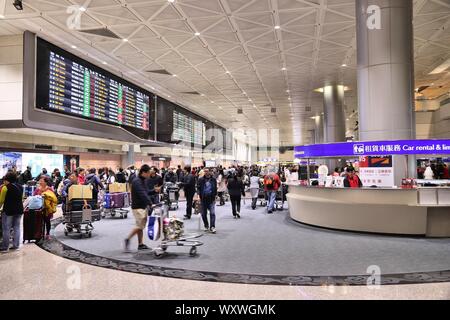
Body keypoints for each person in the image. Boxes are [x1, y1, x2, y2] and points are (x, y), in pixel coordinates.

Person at [124, 165, 153, 252]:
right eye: (148, 173)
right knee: (139, 226)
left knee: (141, 226)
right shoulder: (137, 181)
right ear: (143, 172)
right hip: (138, 207)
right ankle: (128, 239)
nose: (149, 175)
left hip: (142, 206)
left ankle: (140, 244)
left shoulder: (142, 180)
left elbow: (146, 192)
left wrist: (154, 191)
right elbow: (142, 194)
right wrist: (150, 203)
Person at [0, 172, 24, 252]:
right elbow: (22, 198)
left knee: (6, 229)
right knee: (16, 227)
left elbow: (1, 201)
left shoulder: (5, 188)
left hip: (8, 211)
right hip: (19, 210)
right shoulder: (20, 187)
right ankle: (16, 246)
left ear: (7, 180)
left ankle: (4, 247)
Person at [197, 168, 217, 233]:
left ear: (209, 172)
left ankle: (212, 227)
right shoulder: (200, 180)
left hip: (211, 199)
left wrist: (215, 196)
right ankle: (206, 225)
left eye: (207, 171)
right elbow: (198, 188)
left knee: (212, 213)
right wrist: (198, 196)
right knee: (203, 214)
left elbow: (215, 188)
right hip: (203, 199)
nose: (206, 172)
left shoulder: (213, 180)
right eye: (205, 171)